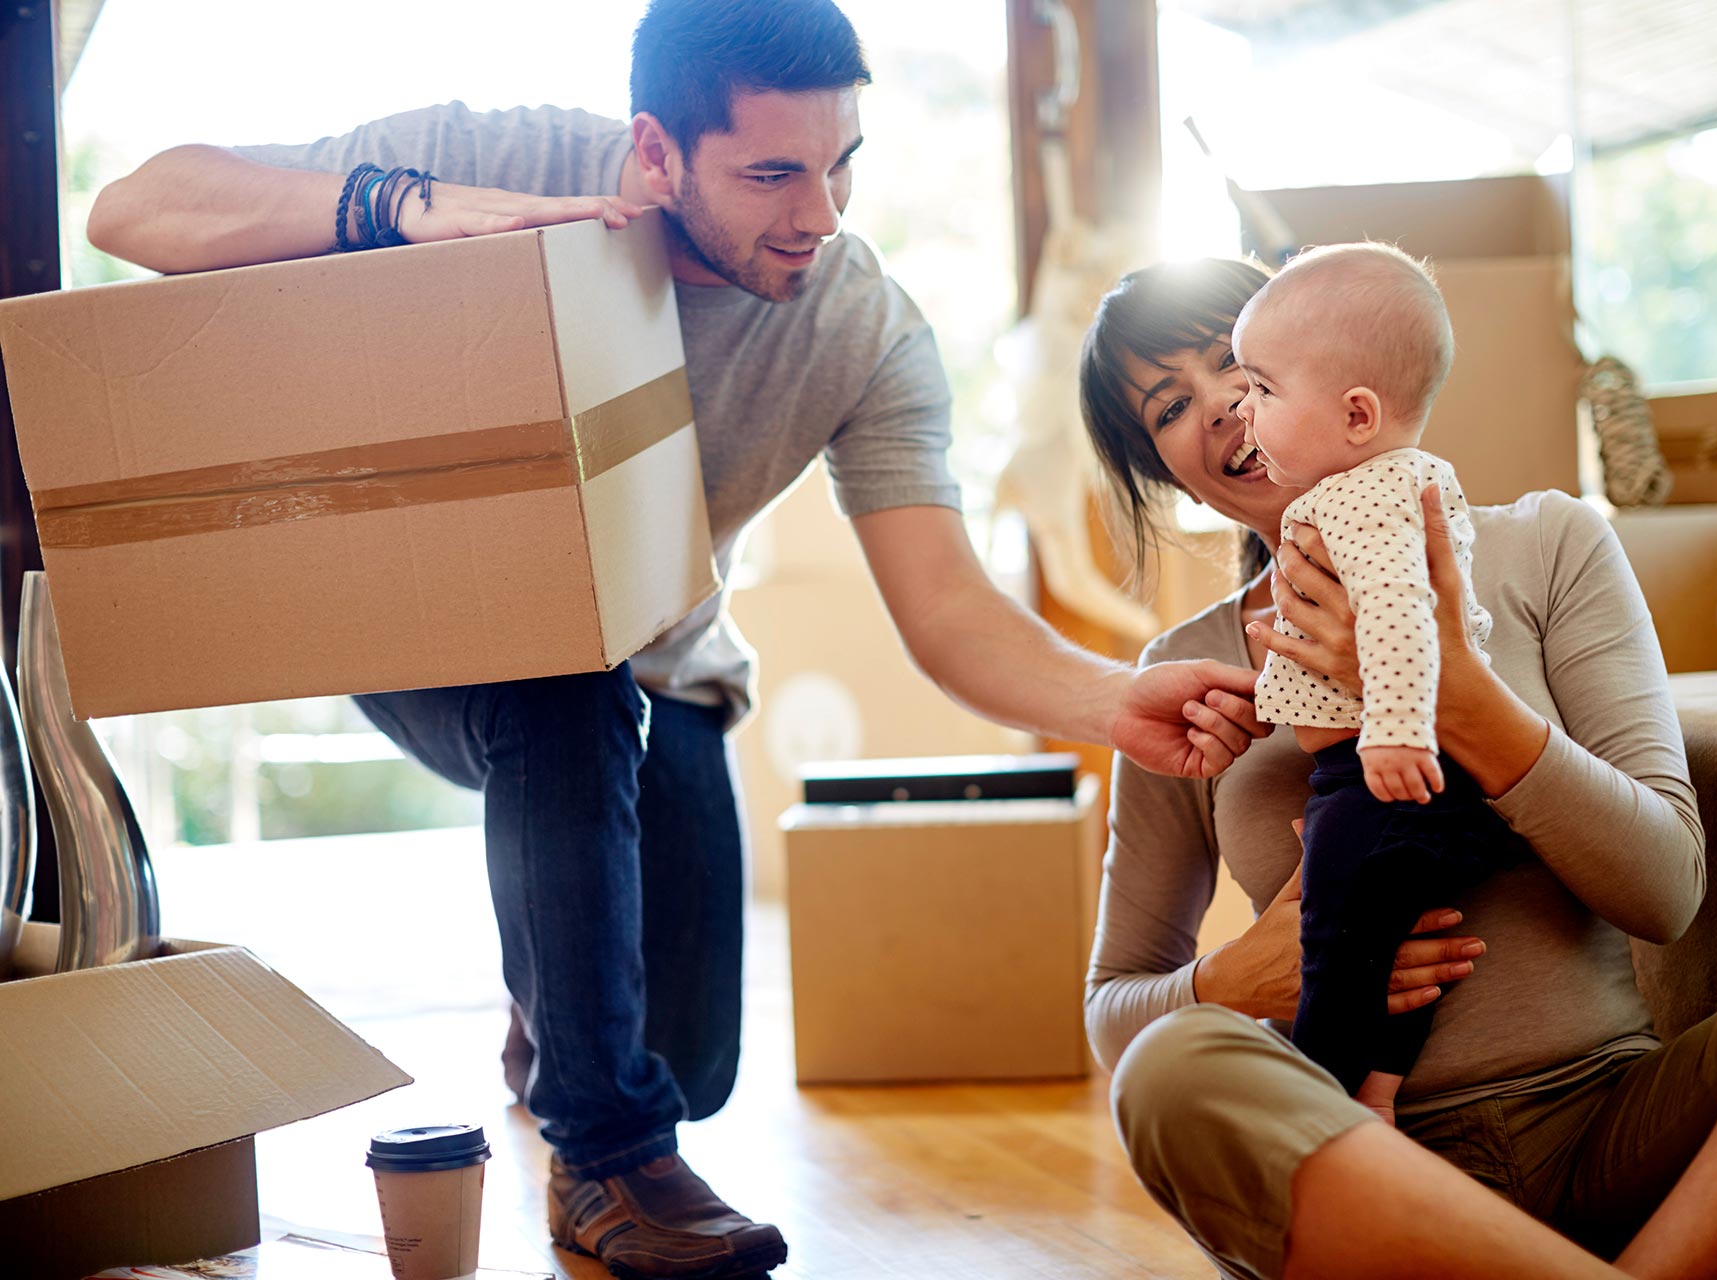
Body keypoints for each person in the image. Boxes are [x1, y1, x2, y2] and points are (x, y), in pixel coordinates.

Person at [85, 5, 1270, 1277]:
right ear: (657, 151)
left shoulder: (861, 328)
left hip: (664, 666)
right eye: (771, 173)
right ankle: (601, 1161)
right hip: (431, 642)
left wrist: (1117, 697)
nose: (820, 213)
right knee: (561, 694)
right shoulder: (508, 162)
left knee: (689, 1060)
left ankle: (569, 1019)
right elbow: (133, 210)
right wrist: (411, 215)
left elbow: (948, 610)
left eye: (841, 163)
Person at [1077, 256, 1717, 1279]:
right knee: (1172, 1069)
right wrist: (1239, 976)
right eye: (1171, 404)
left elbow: (1666, 889)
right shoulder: (1183, 679)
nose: (1220, 407)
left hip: (1616, 1126)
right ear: (1158, 463)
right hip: (1369, 1165)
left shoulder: (1549, 546)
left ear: (1346, 388)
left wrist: (1458, 696)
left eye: (1236, 365)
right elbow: (1116, 1008)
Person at [1228, 242, 1528, 1122]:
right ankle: (1382, 1094)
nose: (1242, 414)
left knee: (1335, 945)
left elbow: (1403, 610)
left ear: (1357, 414)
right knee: (1398, 946)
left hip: (1376, 773)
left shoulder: (1359, 495)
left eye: (1262, 390)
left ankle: (1317, 1106)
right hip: (1393, 772)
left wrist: (1395, 728)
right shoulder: (1401, 482)